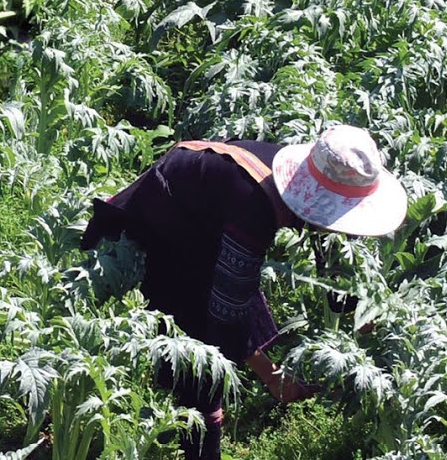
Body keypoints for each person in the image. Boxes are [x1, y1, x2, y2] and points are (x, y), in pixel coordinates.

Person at [80, 125, 409, 460]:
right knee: (203, 356)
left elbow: (335, 254)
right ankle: (201, 449)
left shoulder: (309, 180)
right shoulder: (253, 206)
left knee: (229, 301)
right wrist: (271, 377)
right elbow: (228, 311)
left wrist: (360, 317)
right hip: (164, 220)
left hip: (205, 214)